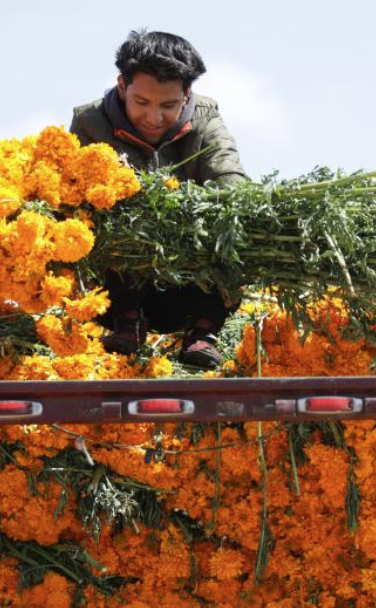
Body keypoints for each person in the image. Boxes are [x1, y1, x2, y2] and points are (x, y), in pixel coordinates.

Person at [70, 29, 248, 367]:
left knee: (242, 219)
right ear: (122, 85)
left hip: (192, 281)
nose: (154, 118)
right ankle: (128, 323)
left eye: (168, 105)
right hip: (120, 283)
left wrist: (189, 213)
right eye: (142, 103)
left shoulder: (206, 118)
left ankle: (202, 333)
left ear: (187, 93)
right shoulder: (89, 124)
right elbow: (76, 198)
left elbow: (231, 180)